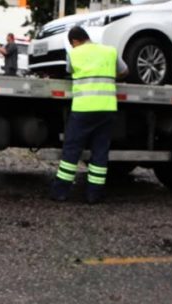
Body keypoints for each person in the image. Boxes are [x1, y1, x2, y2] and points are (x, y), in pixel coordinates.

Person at [50, 26, 128, 204]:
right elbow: (125, 71)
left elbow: (69, 72)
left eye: (73, 44)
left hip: (83, 109)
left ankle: (60, 192)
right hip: (107, 109)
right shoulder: (110, 51)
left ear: (75, 41)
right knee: (100, 152)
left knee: (72, 151)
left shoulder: (74, 54)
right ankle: (94, 195)